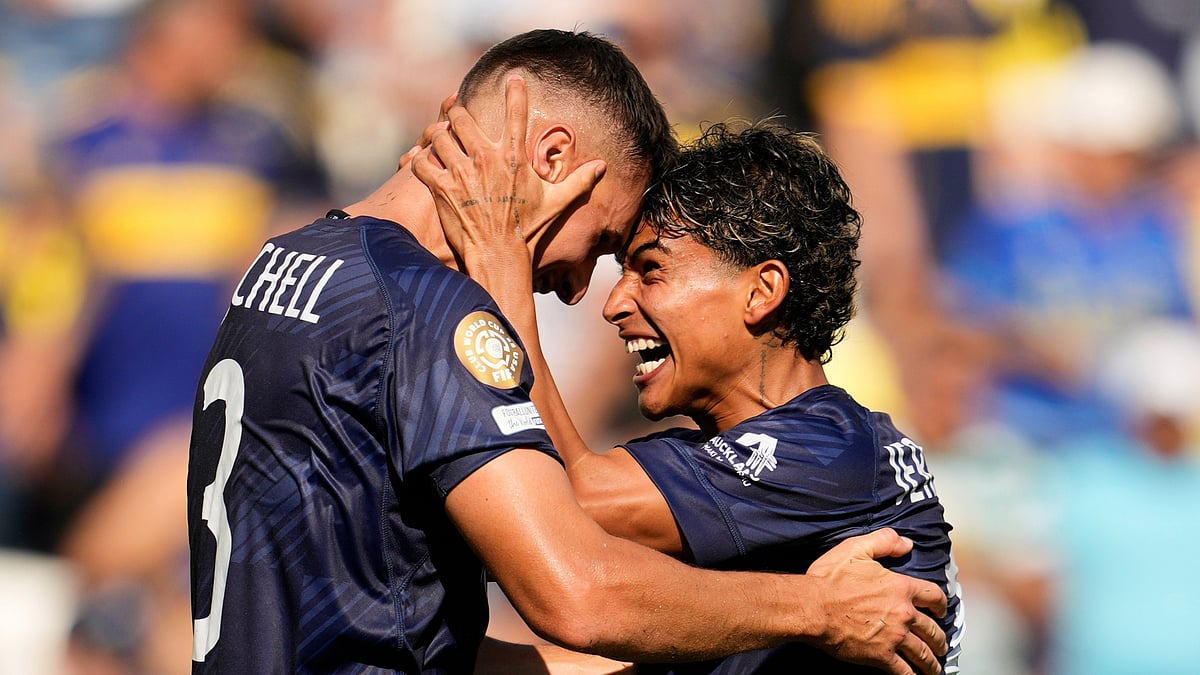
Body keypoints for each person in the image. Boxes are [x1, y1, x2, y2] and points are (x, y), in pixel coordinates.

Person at [187, 29, 948, 674]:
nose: (588, 291)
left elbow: (371, 612)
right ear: (551, 157)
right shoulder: (426, 309)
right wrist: (819, 607)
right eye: (612, 245)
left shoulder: (285, 264)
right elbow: (578, 587)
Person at [416, 109, 963, 673]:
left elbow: (568, 500)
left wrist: (498, 261)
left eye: (650, 271)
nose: (614, 305)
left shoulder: (835, 452)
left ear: (761, 291)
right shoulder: (717, 468)